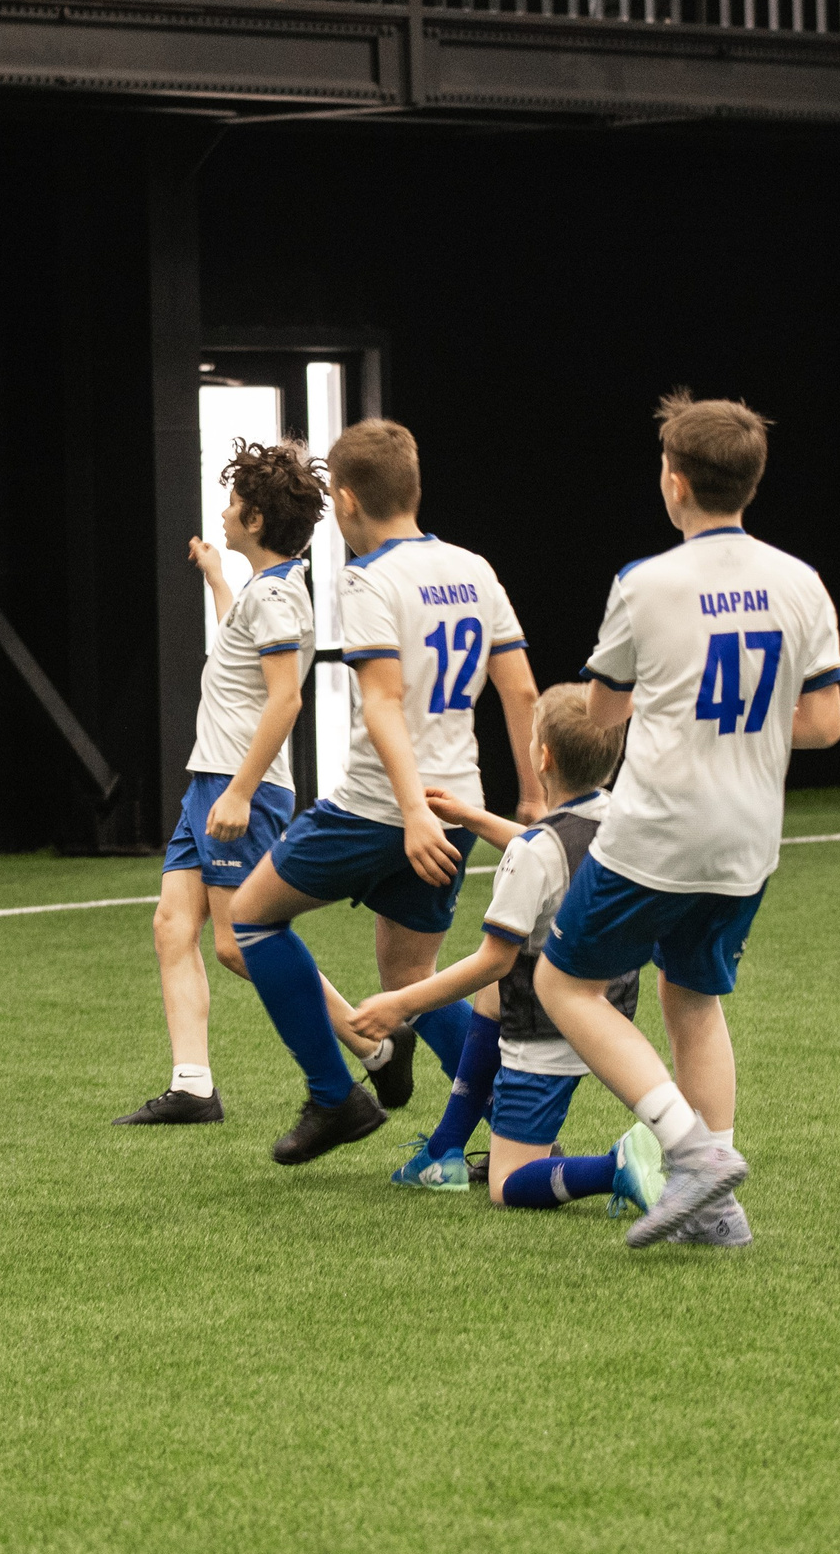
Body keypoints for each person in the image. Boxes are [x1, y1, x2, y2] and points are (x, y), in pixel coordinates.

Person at [534, 392, 840, 1248]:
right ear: (752, 482)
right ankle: (718, 1207)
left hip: (659, 829)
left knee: (566, 983)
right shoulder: (800, 581)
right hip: (749, 836)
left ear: (674, 484)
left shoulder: (645, 582)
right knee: (695, 997)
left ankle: (690, 1151)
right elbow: (824, 724)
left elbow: (600, 711)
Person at [227, 419, 543, 1167]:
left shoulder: (366, 579)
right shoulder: (475, 566)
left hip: (379, 808)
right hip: (458, 804)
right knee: (410, 977)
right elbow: (520, 687)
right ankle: (513, 1119)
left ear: (343, 501)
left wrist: (406, 812)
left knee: (250, 921)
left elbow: (382, 702)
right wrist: (531, 797)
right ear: (415, 487)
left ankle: (336, 1097)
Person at [119, 439, 388, 1124]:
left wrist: (239, 790)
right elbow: (244, 659)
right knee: (172, 924)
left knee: (240, 943)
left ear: (257, 520)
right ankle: (192, 1086)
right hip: (210, 779)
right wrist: (214, 577)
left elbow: (284, 700)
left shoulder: (275, 598)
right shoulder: (265, 592)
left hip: (237, 786)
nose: (225, 510)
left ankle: (373, 1044)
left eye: (235, 501)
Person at [348, 684, 666, 1221]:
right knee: (503, 986)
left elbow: (492, 959)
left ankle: (615, 1166)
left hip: (545, 1032)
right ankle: (443, 1153)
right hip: (611, 1005)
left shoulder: (531, 855)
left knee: (510, 1182)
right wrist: (473, 818)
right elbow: (554, 847)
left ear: (541, 756)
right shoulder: (617, 819)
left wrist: (400, 1004)